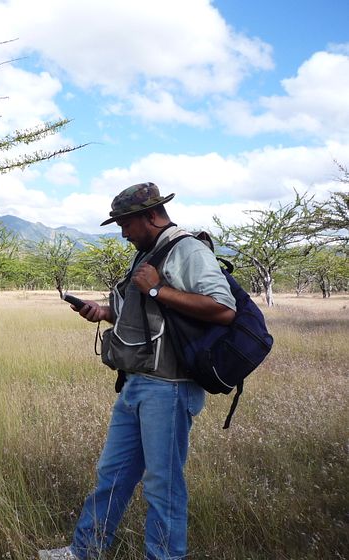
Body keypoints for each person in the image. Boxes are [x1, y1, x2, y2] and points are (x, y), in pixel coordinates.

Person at [39, 182, 237, 560]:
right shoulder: (148, 252)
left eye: (126, 224)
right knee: (111, 476)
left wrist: (158, 289)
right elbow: (144, 313)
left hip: (170, 388)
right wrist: (103, 312)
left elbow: (223, 309)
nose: (123, 232)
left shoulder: (187, 249)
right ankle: (85, 550)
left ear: (151, 215)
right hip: (136, 384)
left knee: (163, 487)